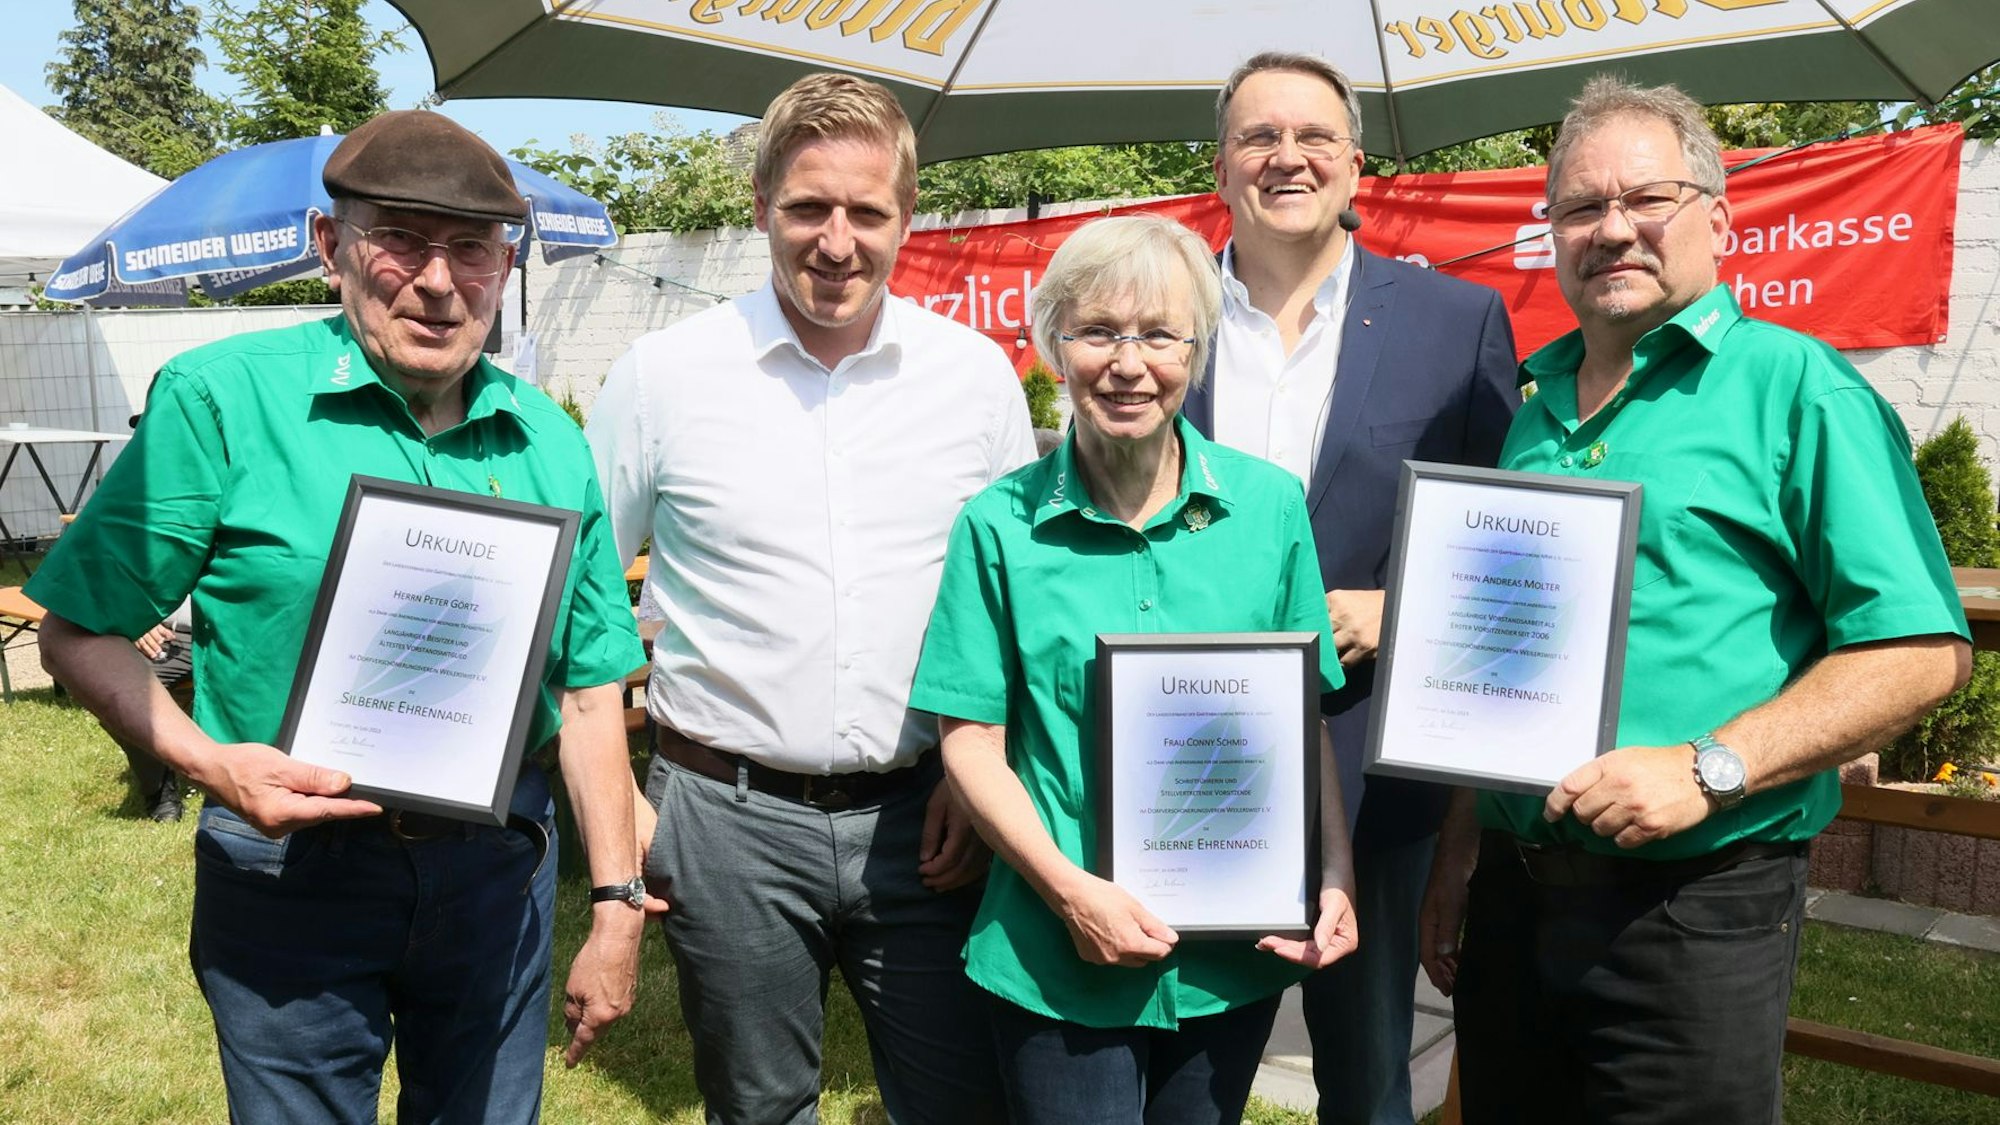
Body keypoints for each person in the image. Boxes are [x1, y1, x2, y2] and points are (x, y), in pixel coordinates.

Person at [30, 110, 649, 1123]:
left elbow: (588, 692)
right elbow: (76, 630)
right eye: (400, 239)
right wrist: (209, 766)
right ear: (330, 247)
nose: (439, 282)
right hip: (290, 872)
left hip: (496, 870)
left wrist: (618, 904)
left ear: (506, 263)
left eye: (473, 250)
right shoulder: (222, 400)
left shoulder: (548, 440)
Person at [1417, 76, 1970, 1123]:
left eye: (1645, 200)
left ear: (1715, 219)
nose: (1611, 230)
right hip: (1511, 897)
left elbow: (1917, 650)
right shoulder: (1531, 417)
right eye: (1580, 209)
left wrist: (1707, 768)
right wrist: (1458, 851)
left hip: (1693, 903)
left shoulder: (1793, 388)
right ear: (1550, 235)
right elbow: (1490, 664)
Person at [587, 72, 1035, 1124]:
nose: (835, 241)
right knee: (757, 1109)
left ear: (905, 217)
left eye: (865, 212)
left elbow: (1014, 602)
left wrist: (983, 777)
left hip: (926, 820)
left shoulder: (973, 380)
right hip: (724, 818)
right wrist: (624, 803)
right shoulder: (661, 377)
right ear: (758, 207)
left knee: (959, 1103)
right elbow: (582, 599)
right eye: (806, 208)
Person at [909, 214, 1360, 1124]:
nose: (1128, 363)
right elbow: (970, 743)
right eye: (1097, 332)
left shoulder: (1268, 509)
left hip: (1229, 952)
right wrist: (1074, 896)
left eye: (1159, 334)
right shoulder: (997, 526)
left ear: (1195, 350)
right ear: (1052, 346)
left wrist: (1335, 872)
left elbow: (1298, 717)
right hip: (1055, 949)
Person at [1181, 51, 1521, 1125]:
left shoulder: (1452, 324)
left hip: (1374, 770)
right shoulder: (1160, 313)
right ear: (1220, 164)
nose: (1287, 158)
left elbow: (1503, 559)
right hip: (1186, 754)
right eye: (1258, 137)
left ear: (1354, 164)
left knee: (1368, 1081)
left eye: (1313, 137)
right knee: (1186, 1069)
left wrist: (1405, 607)